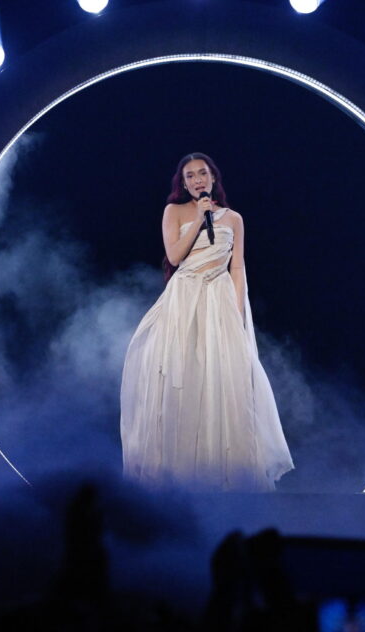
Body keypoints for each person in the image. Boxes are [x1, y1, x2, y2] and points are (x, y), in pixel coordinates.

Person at [120, 152, 294, 491]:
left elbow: (238, 267)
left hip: (218, 300)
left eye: (203, 173)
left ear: (213, 178)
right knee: (178, 379)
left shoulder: (234, 219)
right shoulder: (175, 211)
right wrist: (199, 219)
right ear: (183, 183)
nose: (198, 179)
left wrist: (239, 316)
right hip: (183, 300)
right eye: (190, 175)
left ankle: (224, 479)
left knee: (223, 382)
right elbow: (173, 256)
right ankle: (176, 480)